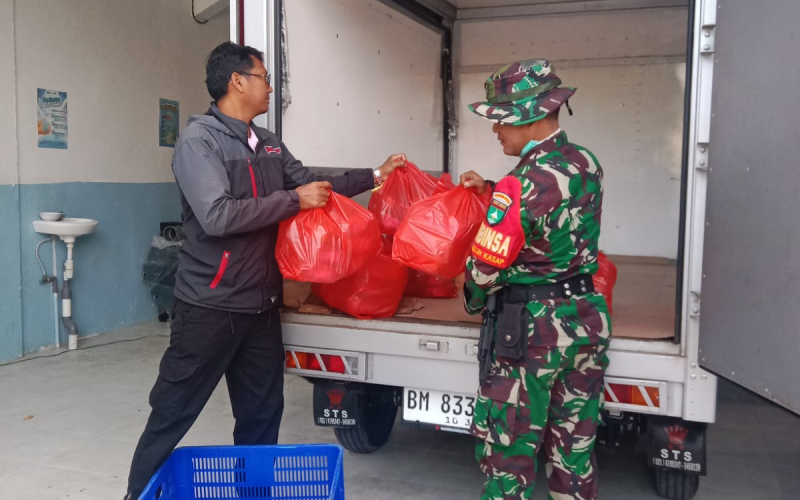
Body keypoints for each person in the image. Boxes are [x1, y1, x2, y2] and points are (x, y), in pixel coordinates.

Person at [124, 41, 405, 499]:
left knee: (260, 417)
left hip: (260, 307)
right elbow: (217, 216)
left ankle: (250, 494)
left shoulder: (268, 143)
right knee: (173, 411)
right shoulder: (200, 142)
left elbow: (308, 180)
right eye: (264, 78)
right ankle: (135, 494)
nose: (271, 88)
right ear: (237, 81)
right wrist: (292, 202)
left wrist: (373, 176)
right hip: (209, 307)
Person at [459, 59, 610, 500]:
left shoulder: (517, 184)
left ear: (530, 115)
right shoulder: (586, 161)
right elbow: (554, 215)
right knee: (574, 455)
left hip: (531, 335)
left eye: (501, 121)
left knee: (508, 459)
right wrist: (492, 192)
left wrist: (469, 293)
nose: (496, 130)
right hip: (586, 321)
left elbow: (484, 271)